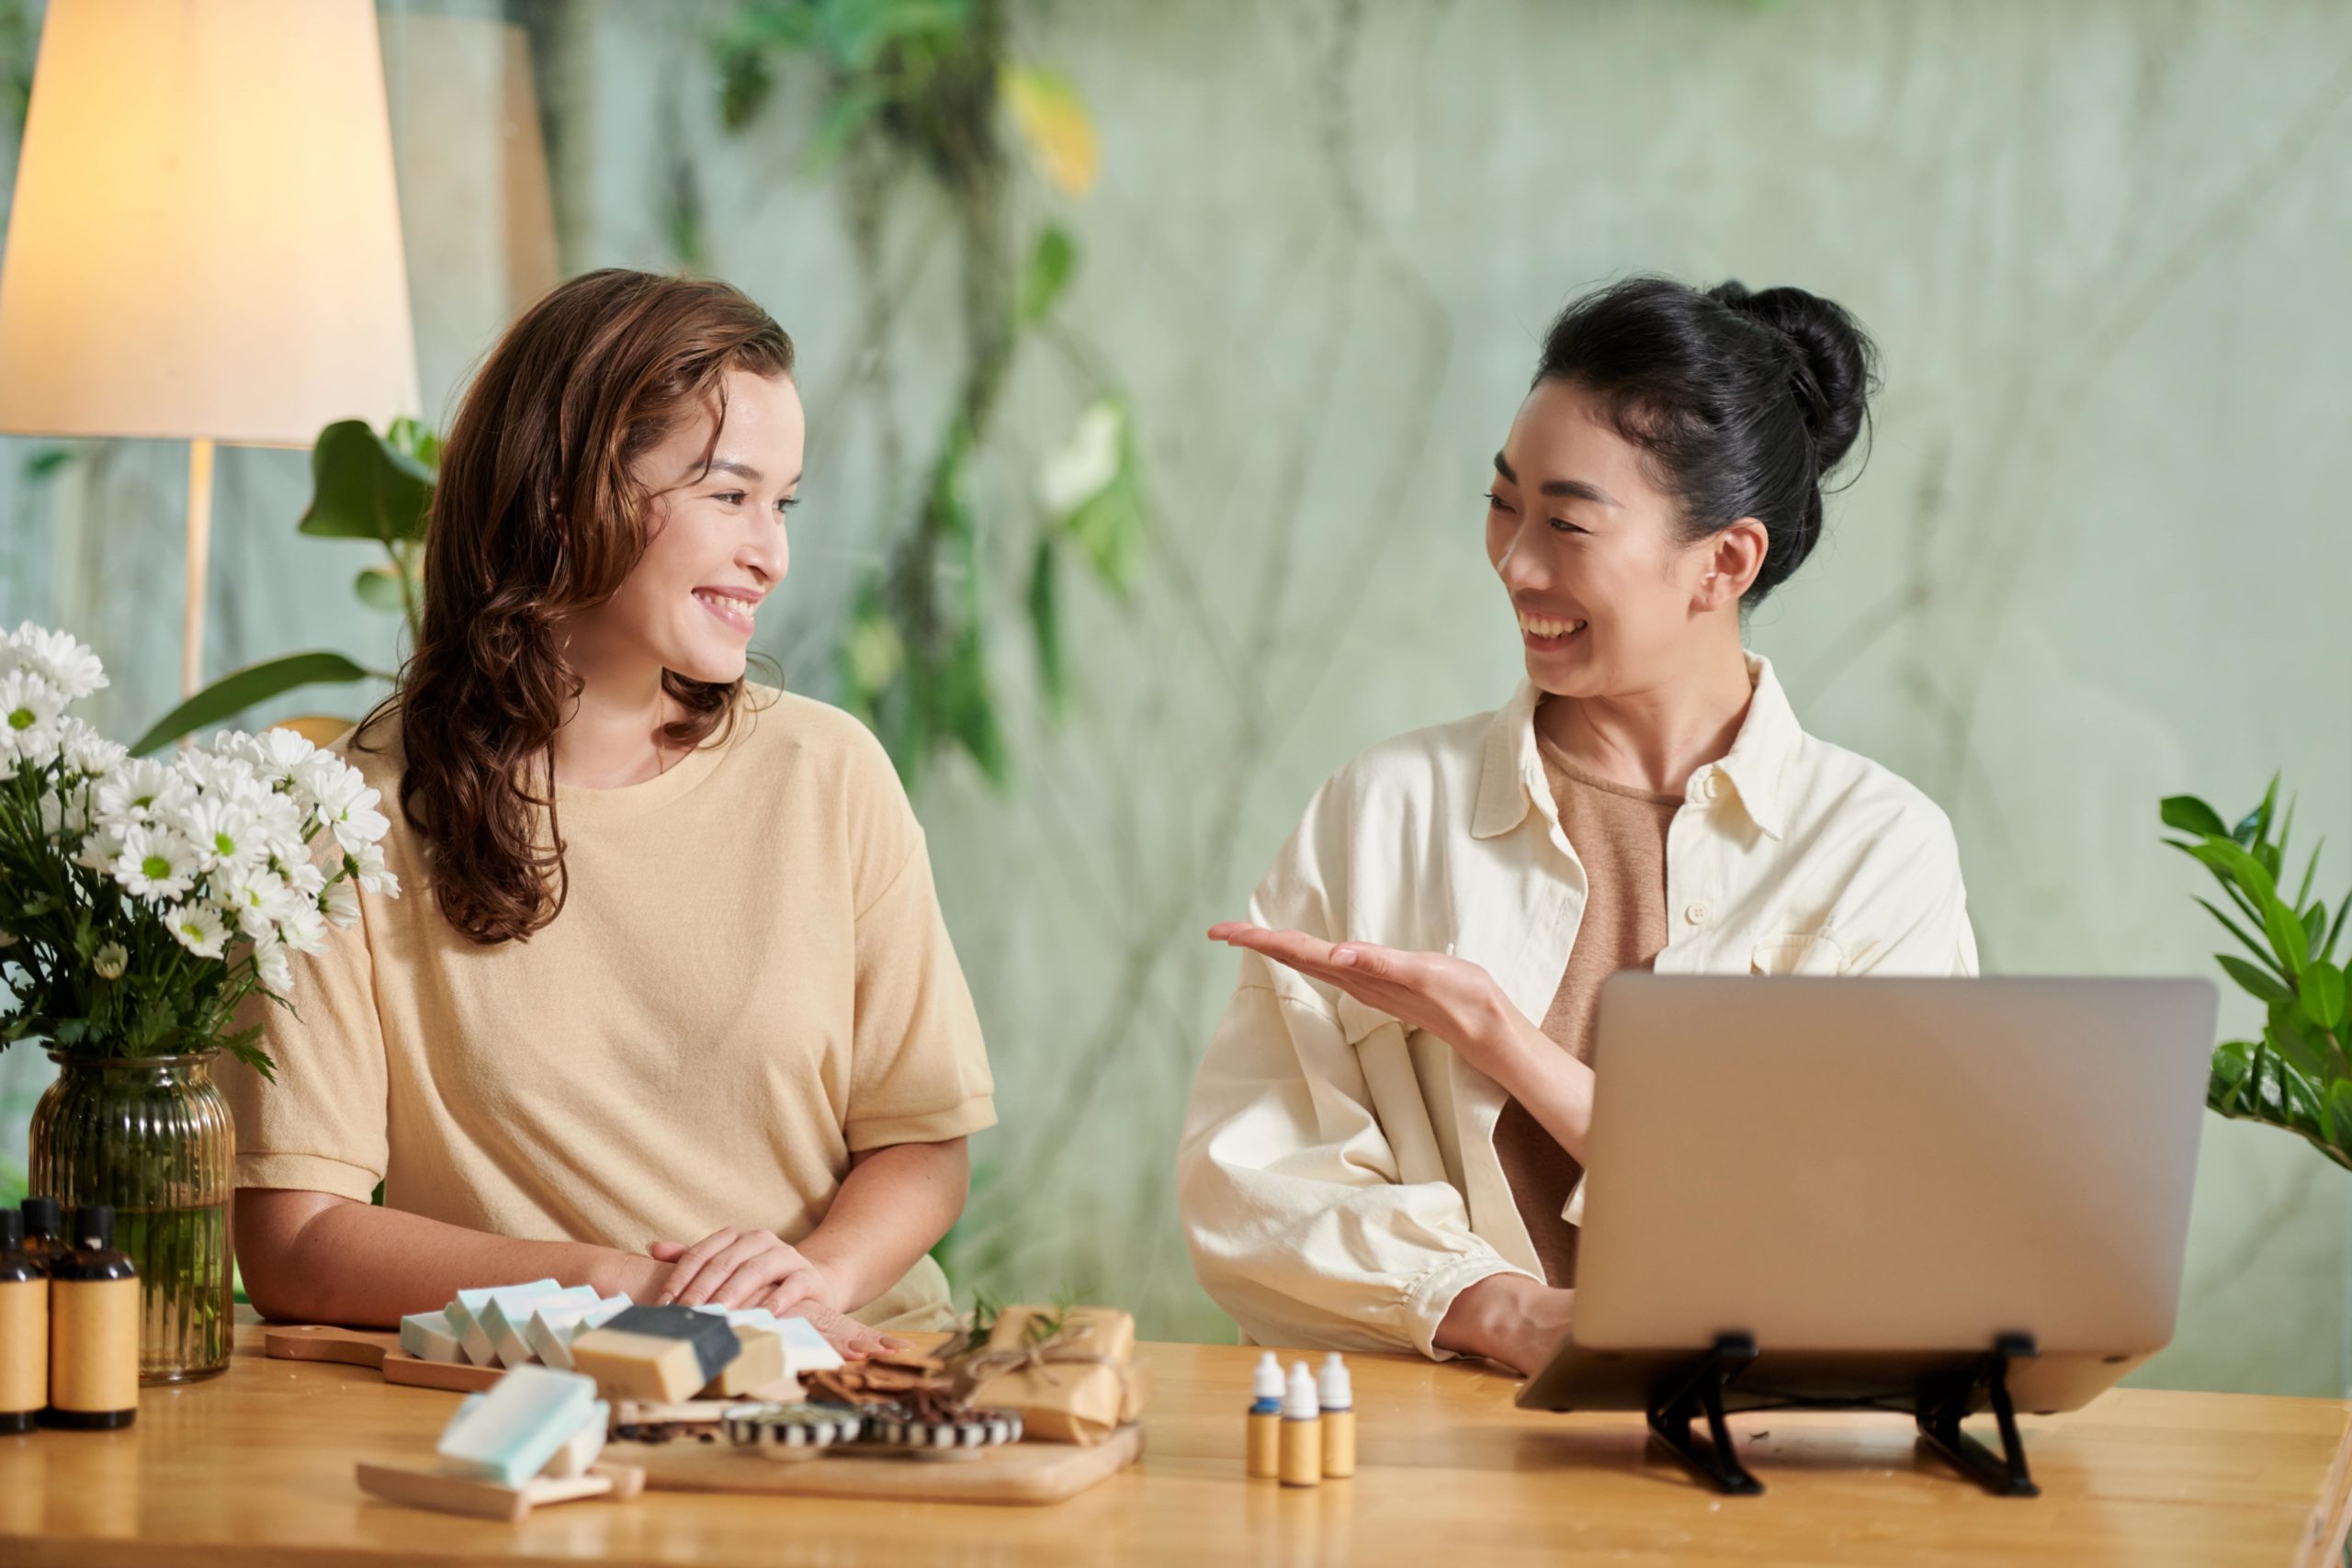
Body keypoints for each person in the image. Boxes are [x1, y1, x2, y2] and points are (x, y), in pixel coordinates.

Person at [1177, 276, 1976, 1376]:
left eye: (1566, 523)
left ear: (1724, 563)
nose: (1514, 562)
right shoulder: (1385, 809)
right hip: (1427, 1482)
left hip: (1756, 1466)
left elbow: (1849, 1232)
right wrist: (1495, 1309)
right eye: (1503, 504)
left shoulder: (1876, 853)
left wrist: (1498, 1035)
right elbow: (1251, 1181)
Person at [224, 269, 994, 1354]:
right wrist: (619, 1287)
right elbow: (296, 1243)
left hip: (851, 1376)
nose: (770, 552)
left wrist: (805, 1285)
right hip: (540, 1400)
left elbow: (922, 1143)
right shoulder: (348, 818)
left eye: (783, 502)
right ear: (561, 493)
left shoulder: (830, 774)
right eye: (728, 496)